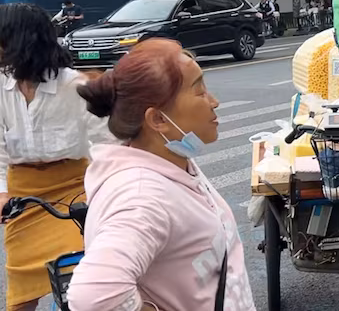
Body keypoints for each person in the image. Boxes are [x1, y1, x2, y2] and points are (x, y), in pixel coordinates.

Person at [68, 39, 255, 310]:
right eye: (199, 91)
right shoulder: (142, 196)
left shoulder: (169, 160)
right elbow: (92, 297)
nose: (214, 102)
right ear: (158, 120)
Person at [0, 3, 113, 311]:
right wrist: (2, 194)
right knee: (20, 292)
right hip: (21, 197)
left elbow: (108, 144)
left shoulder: (76, 86)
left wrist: (108, 190)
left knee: (78, 273)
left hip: (74, 188)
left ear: (18, 41)